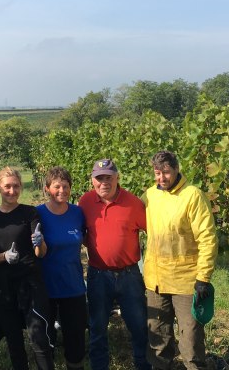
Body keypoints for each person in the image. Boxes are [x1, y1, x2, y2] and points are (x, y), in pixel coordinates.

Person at [142, 151, 218, 370]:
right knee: (158, 338)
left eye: (166, 172)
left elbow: (207, 237)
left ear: (176, 169)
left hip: (185, 281)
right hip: (156, 281)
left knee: (191, 341)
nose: (162, 178)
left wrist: (203, 277)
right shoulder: (150, 196)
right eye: (157, 173)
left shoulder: (192, 195)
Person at [78, 158, 151, 370]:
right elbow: (81, 233)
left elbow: (154, 233)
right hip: (98, 275)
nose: (104, 182)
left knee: (139, 327)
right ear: (92, 180)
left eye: (108, 177)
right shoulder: (85, 202)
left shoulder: (134, 203)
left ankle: (143, 366)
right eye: (99, 178)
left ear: (117, 178)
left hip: (129, 276)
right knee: (97, 328)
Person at [0, 167, 55, 370]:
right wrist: (4, 256)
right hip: (3, 286)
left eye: (15, 186)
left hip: (30, 282)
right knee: (13, 339)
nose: (11, 191)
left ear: (21, 187)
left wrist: (40, 242)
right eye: (7, 186)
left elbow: (40, 253)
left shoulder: (30, 213)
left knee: (39, 336)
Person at [36, 166, 87, 370]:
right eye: (57, 186)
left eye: (65, 186)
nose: (62, 190)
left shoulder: (77, 213)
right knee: (46, 337)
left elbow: (85, 238)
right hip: (46, 287)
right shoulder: (37, 213)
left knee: (75, 337)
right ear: (48, 188)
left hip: (73, 285)